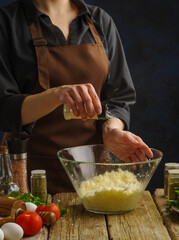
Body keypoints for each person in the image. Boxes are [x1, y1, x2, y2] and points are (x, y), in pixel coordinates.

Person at [0, 0, 153, 194]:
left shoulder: (99, 21)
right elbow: (4, 108)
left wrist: (111, 130)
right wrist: (56, 95)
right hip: (30, 176)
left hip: (94, 177)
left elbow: (118, 97)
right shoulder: (6, 23)